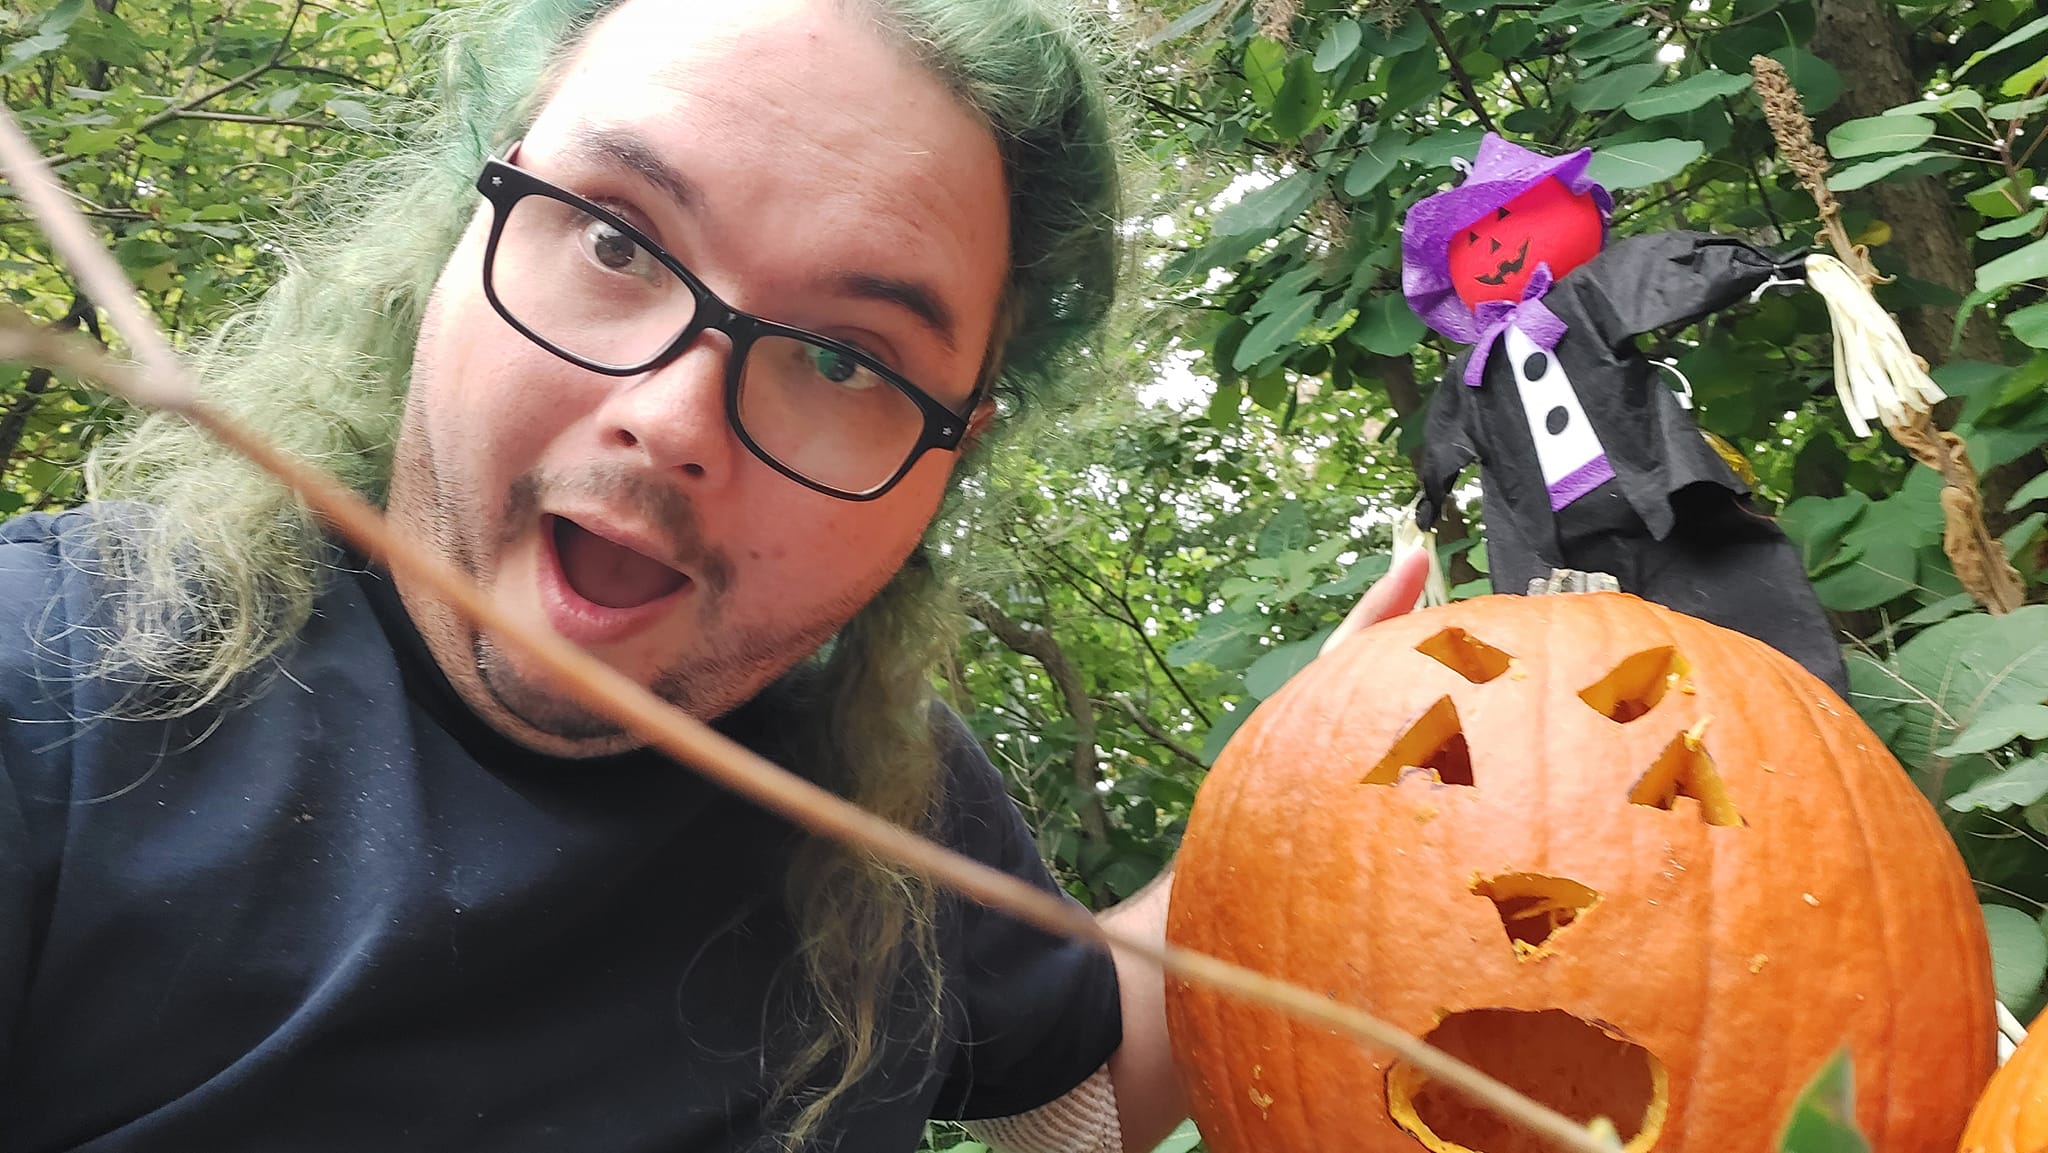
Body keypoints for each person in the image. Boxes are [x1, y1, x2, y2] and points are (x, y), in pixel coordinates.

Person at [0, 0, 1426, 1149]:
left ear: (947, 464)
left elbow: (1080, 1100)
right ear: (466, 219)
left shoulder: (873, 802)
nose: (673, 419)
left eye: (843, 359)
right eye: (617, 239)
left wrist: (1290, 813)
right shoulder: (55, 686)